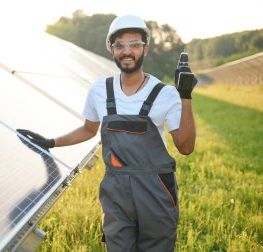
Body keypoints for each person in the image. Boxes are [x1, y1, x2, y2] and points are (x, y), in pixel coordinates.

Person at [17, 14, 196, 252]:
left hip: (155, 190)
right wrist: (52, 141)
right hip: (116, 191)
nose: (127, 51)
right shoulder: (100, 90)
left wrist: (185, 96)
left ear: (146, 48)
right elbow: (89, 129)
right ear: (112, 49)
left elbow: (185, 147)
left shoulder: (165, 94)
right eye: (120, 45)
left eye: (134, 44)